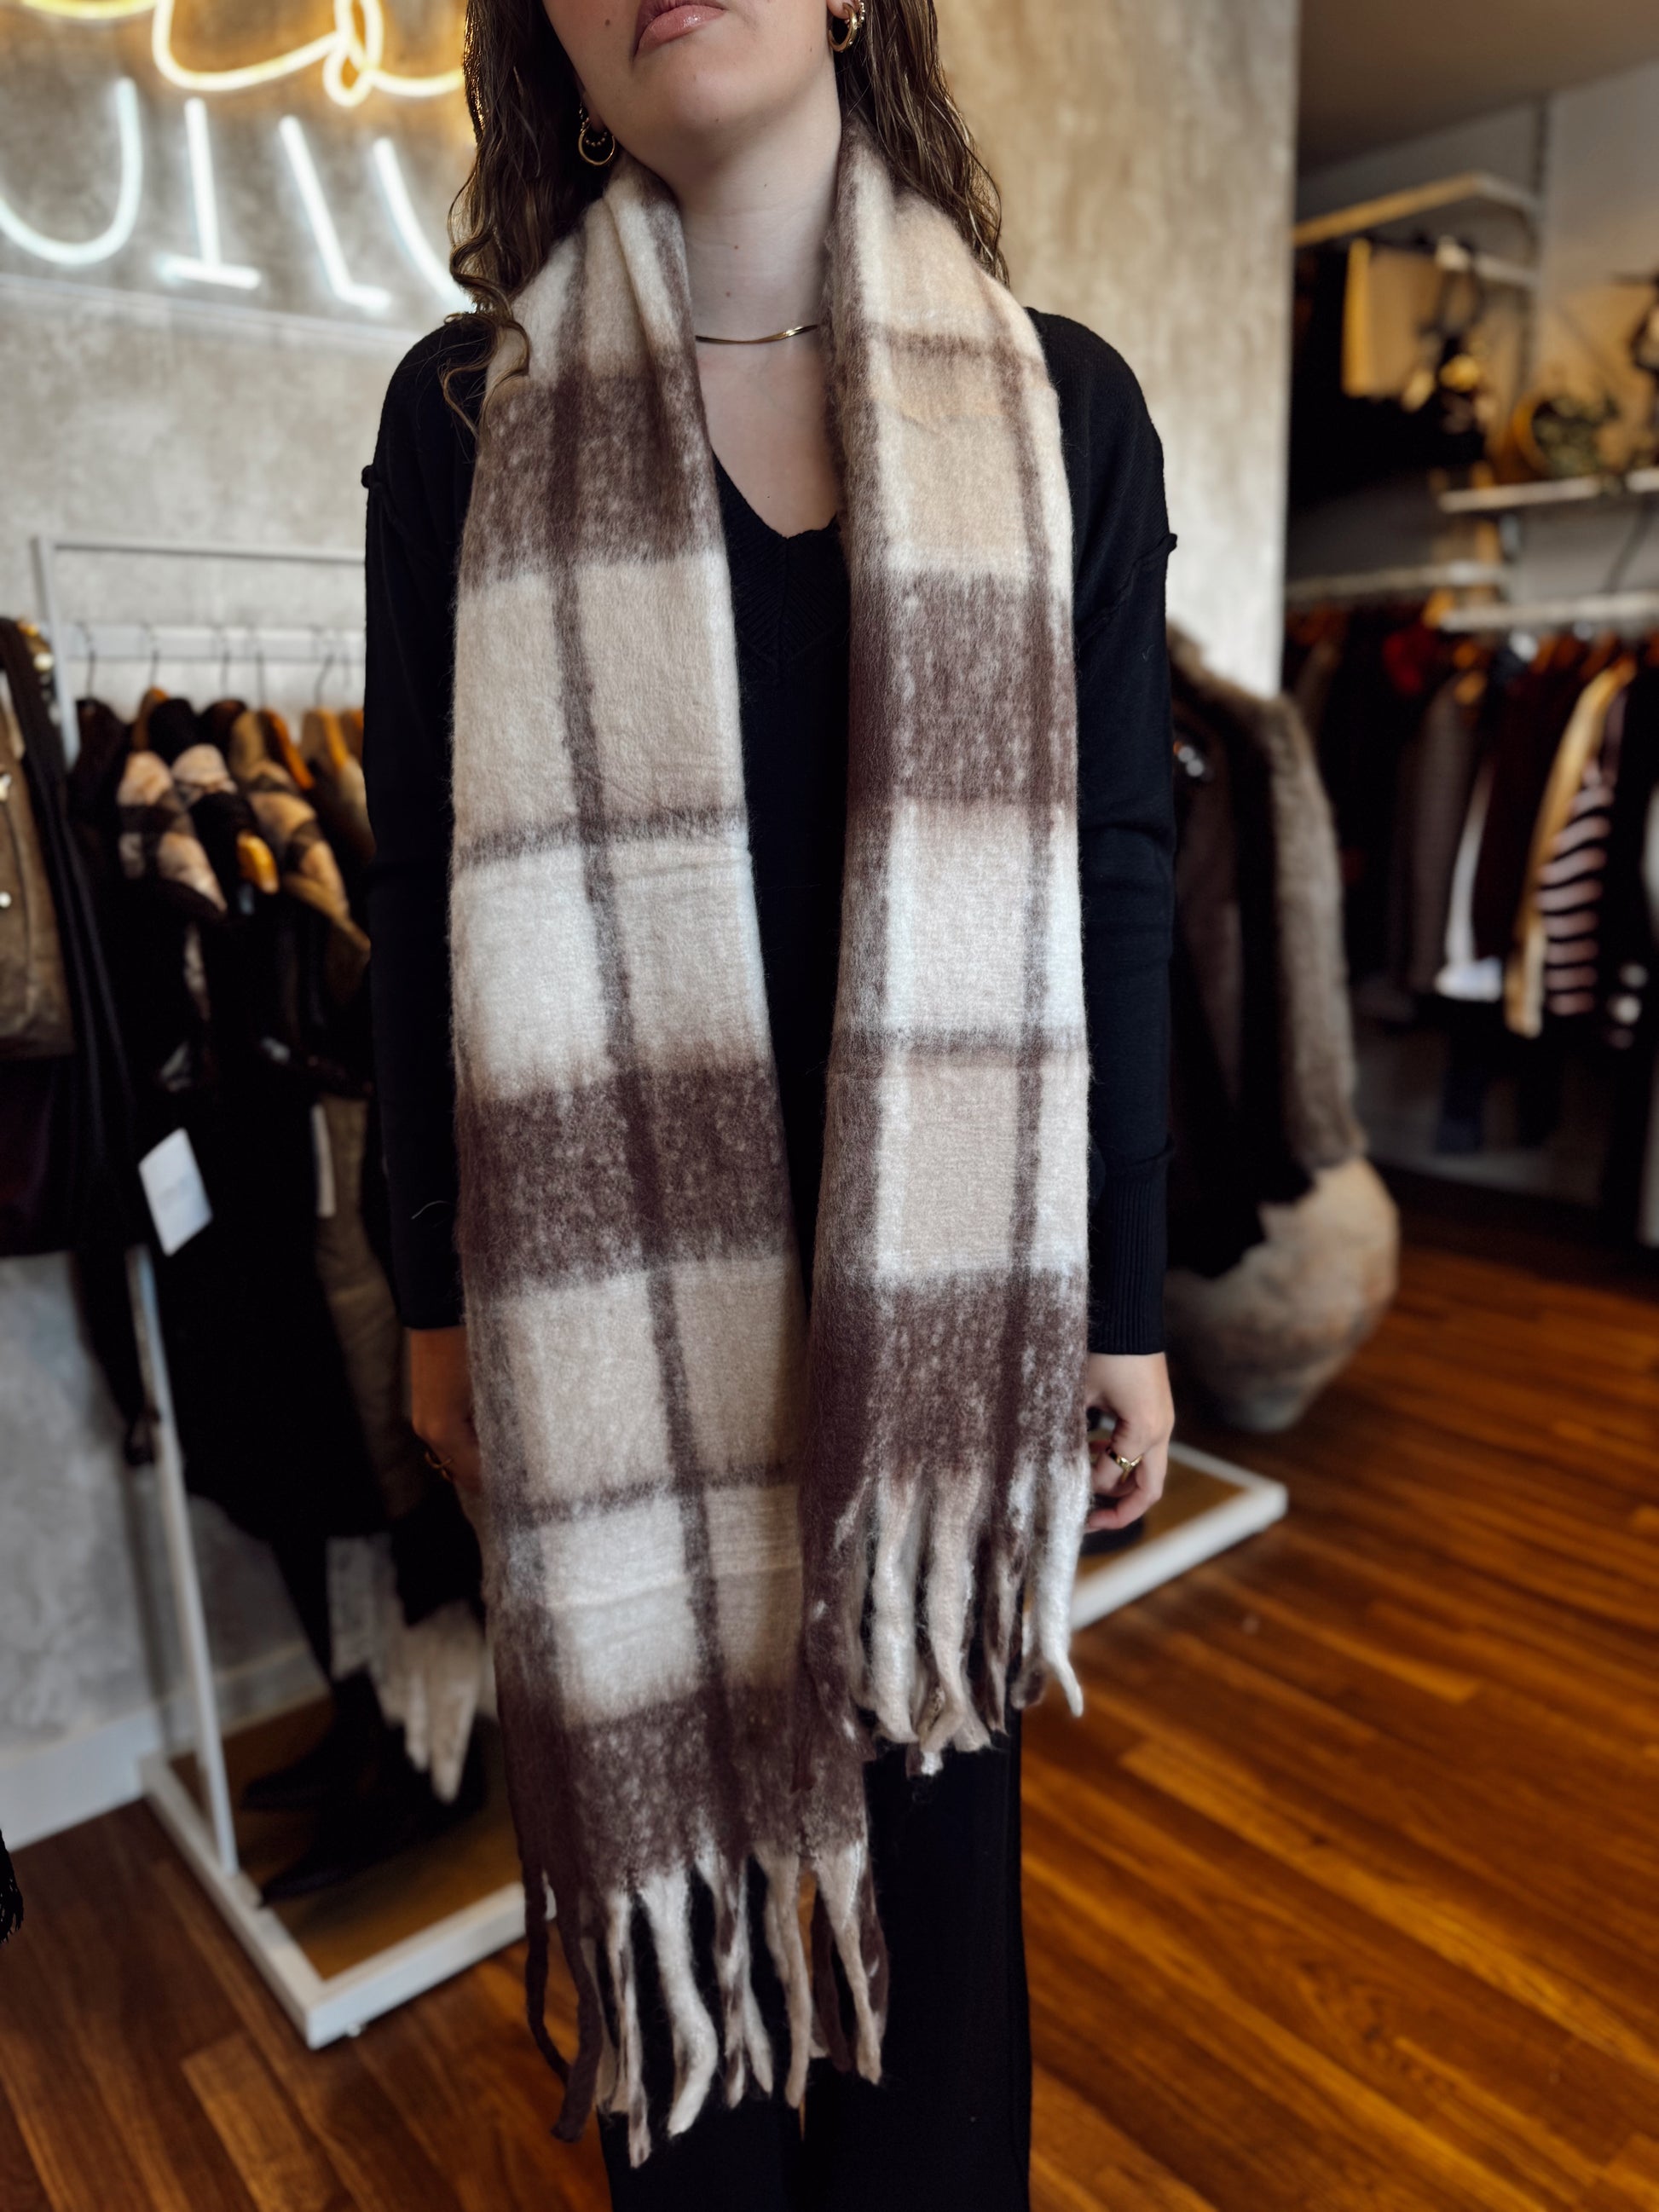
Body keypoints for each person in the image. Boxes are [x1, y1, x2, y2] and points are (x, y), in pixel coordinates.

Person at [362, 0, 1176, 2203]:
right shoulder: (467, 420)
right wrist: (432, 1293)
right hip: (622, 1358)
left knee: (937, 1985)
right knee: (694, 2030)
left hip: (945, 1351)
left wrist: (1119, 1298)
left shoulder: (1060, 406)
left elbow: (1113, 863)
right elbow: (419, 888)